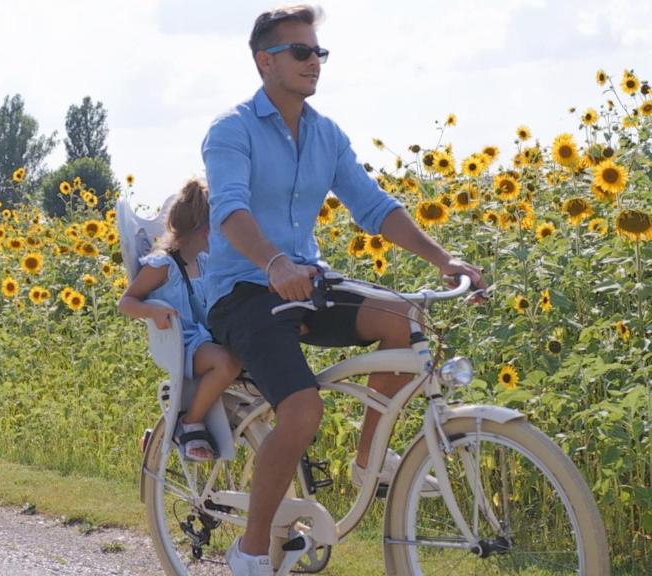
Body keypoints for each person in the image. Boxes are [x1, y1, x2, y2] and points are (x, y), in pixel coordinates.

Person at [201, 6, 486, 574]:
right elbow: (229, 209)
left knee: (405, 319)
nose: (314, 61)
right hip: (244, 293)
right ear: (264, 61)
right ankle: (250, 551)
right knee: (302, 411)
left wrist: (442, 258)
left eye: (318, 52)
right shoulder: (231, 130)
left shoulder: (326, 135)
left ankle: (368, 461)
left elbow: (374, 206)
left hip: (306, 283)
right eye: (300, 51)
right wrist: (273, 262)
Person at [118, 178, 242, 461]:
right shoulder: (163, 265)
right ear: (207, 231)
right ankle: (190, 422)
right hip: (183, 343)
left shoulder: (204, 262)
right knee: (226, 363)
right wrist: (153, 311)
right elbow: (126, 302)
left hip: (207, 337)